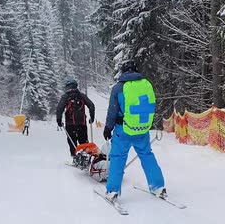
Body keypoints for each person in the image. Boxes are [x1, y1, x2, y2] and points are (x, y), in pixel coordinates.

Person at [103, 60, 166, 202]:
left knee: (118, 158)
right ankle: (158, 187)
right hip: (141, 129)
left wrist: (108, 127)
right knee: (147, 155)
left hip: (122, 129)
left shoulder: (118, 88)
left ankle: (113, 191)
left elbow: (113, 111)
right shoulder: (145, 85)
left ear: (123, 71)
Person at [56, 78, 95, 156]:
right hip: (82, 123)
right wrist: (92, 117)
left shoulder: (66, 96)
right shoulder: (82, 95)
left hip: (70, 124)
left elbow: (59, 108)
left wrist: (59, 120)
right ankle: (85, 156)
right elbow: (91, 105)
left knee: (72, 141)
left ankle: (75, 157)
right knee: (83, 141)